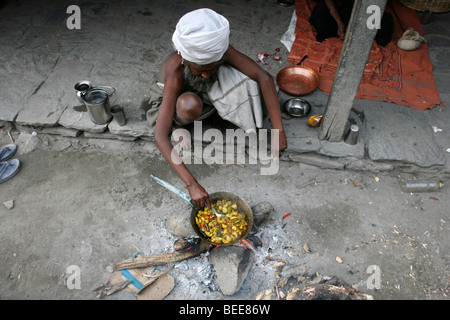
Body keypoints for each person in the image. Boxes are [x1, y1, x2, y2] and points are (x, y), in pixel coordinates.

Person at [146, 8, 287, 208]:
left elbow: (264, 78)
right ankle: (179, 125)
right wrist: (192, 185)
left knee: (247, 83)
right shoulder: (176, 72)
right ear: (187, 60)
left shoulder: (220, 51)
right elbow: (159, 136)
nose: (205, 75)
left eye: (211, 68)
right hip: (180, 102)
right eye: (200, 70)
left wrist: (278, 130)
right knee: (189, 105)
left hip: (206, 96)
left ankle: (214, 112)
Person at [309, 0, 393, 46]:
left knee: (386, 22)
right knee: (320, 17)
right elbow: (330, 4)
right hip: (340, 11)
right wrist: (339, 23)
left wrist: (360, 27)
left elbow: (374, 6)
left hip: (364, 12)